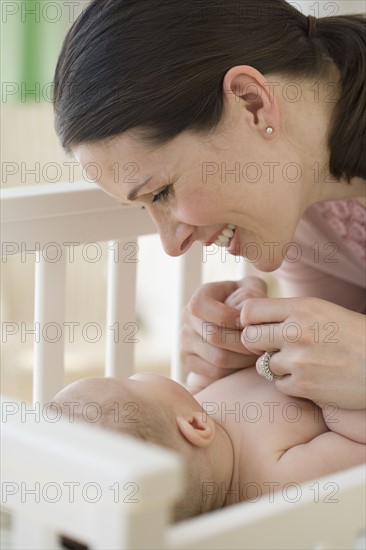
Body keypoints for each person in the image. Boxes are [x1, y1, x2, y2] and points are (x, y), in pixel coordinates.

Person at [52, 0, 365, 409]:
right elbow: (340, 400)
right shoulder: (299, 204)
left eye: (162, 192)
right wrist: (249, 363)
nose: (171, 244)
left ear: (252, 102)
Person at [51, 368, 365, 523]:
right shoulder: (276, 483)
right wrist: (326, 391)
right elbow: (359, 446)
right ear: (196, 427)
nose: (138, 372)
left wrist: (222, 356)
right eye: (132, 381)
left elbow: (208, 381)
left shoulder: (198, 410)